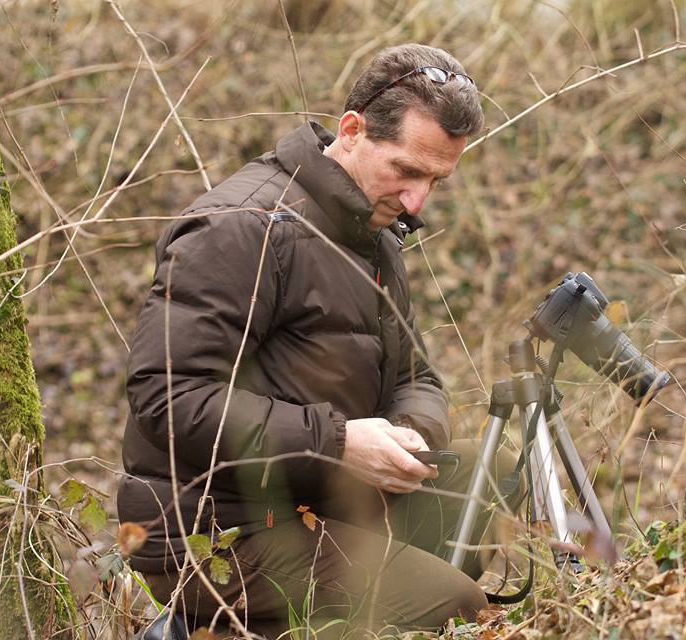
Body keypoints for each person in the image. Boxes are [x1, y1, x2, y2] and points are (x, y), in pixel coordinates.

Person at [118, 43, 518, 639]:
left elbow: (416, 377)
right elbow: (166, 397)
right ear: (351, 130)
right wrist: (335, 441)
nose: (417, 201)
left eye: (436, 179)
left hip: (318, 500)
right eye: (406, 171)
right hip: (213, 532)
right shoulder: (243, 226)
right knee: (457, 604)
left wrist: (411, 434)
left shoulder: (373, 227)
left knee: (493, 466)